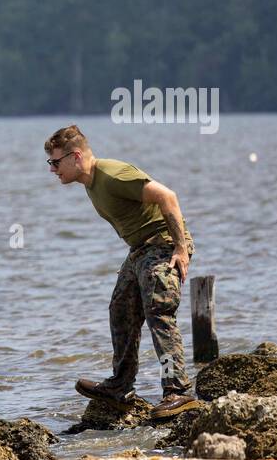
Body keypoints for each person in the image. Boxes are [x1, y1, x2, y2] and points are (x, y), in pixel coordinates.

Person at [45, 125, 201, 420]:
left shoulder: (113, 175)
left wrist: (180, 249)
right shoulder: (90, 183)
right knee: (121, 310)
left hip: (163, 244)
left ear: (75, 157)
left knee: (159, 311)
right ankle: (120, 386)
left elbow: (168, 197)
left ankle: (177, 391)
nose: (52, 170)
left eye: (55, 162)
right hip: (140, 250)